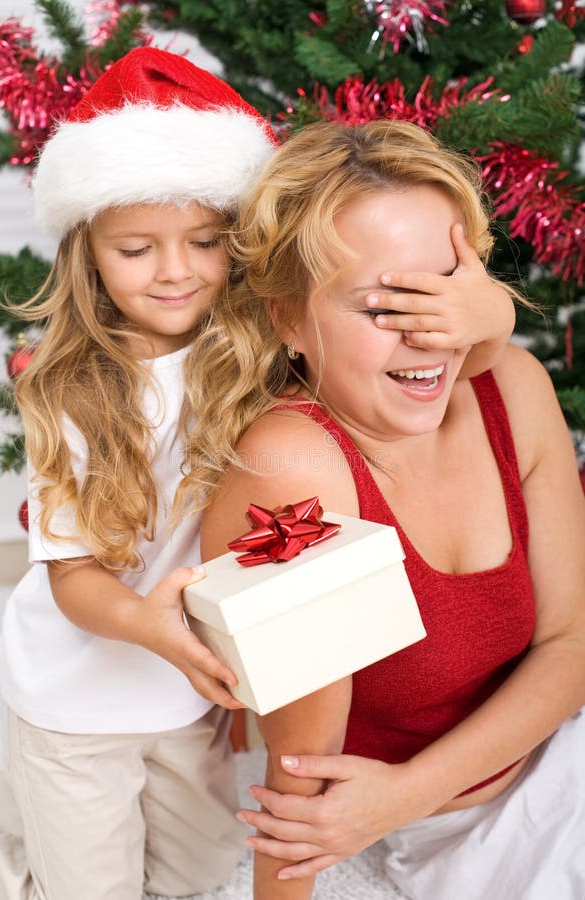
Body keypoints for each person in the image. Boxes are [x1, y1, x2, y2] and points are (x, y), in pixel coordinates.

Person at [179, 119, 585, 900]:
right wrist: (403, 806)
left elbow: (572, 647)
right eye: (382, 306)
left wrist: (405, 791)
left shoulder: (515, 387)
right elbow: (298, 791)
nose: (431, 335)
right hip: (472, 833)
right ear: (286, 319)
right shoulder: (294, 470)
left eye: (446, 287)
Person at [0, 47, 279, 900]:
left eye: (204, 242)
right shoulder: (77, 392)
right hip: (75, 695)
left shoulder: (250, 357)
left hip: (183, 692)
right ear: (90, 255)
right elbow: (72, 575)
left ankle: (15, 801)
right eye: (138, 249)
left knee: (194, 871)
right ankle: (11, 832)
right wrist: (150, 629)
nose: (176, 270)